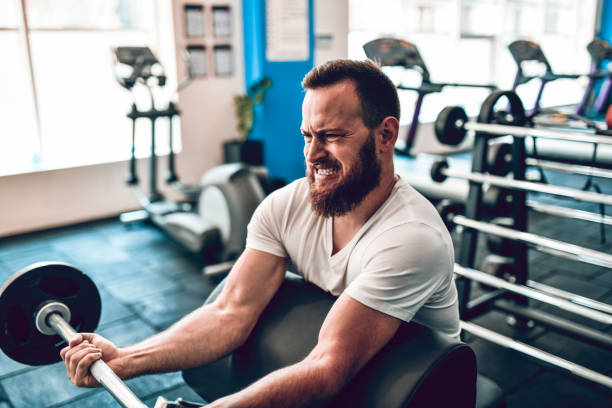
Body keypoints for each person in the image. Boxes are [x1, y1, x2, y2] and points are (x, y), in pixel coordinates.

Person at [61, 59, 459, 407]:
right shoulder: (286, 206)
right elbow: (229, 312)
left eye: (332, 136)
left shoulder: (412, 238)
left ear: (385, 135)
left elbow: (327, 368)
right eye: (308, 135)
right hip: (345, 356)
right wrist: (124, 359)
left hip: (420, 382)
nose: (312, 154)